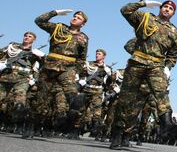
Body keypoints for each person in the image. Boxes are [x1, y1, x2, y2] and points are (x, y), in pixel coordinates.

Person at [110, 0, 177, 149]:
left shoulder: (174, 31)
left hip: (156, 66)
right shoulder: (145, 18)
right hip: (137, 62)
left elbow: (173, 54)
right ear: (160, 9)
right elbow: (125, 10)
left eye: (170, 9)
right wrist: (143, 3)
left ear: (173, 13)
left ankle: (167, 123)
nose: (167, 9)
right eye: (165, 7)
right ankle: (117, 133)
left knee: (161, 93)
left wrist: (168, 67)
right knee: (125, 100)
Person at [33, 9, 89, 138]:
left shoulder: (83, 38)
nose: (75, 18)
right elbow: (39, 21)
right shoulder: (58, 28)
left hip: (68, 68)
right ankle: (33, 125)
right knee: (42, 99)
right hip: (50, 66)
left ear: (83, 24)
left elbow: (81, 58)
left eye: (79, 18)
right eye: (74, 16)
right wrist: (55, 12)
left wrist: (76, 71)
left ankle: (72, 112)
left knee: (72, 94)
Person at [0, 32, 44, 136]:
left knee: (20, 102)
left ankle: (26, 125)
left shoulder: (34, 52)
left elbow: (43, 66)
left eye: (30, 36)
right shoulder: (13, 46)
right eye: (26, 36)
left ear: (34, 40)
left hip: (22, 78)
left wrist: (43, 57)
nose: (27, 37)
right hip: (6, 76)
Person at [80, 48, 111, 139]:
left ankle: (95, 129)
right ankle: (76, 130)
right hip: (86, 89)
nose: (97, 55)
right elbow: (82, 73)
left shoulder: (107, 68)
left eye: (99, 54)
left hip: (97, 91)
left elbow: (109, 82)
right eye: (96, 53)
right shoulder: (89, 64)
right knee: (81, 110)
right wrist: (82, 80)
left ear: (104, 56)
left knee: (97, 111)